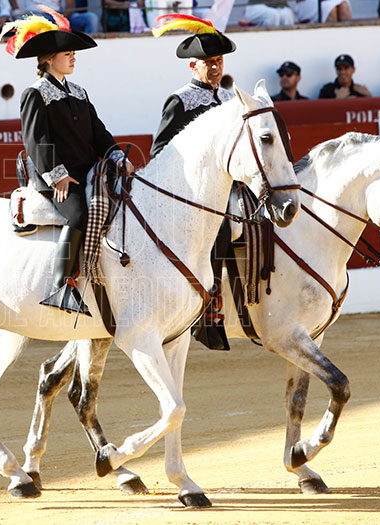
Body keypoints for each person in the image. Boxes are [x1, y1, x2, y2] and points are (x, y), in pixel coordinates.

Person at [5, 7, 132, 315]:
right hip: (57, 177)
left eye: (74, 53)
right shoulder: (35, 93)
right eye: (68, 53)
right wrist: (57, 176)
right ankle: (60, 286)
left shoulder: (78, 91)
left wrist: (117, 155)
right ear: (50, 59)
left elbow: (98, 132)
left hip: (89, 172)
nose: (74, 58)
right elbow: (36, 140)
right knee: (78, 215)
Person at [150, 15, 236, 351]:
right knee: (222, 230)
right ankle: (208, 307)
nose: (215, 68)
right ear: (193, 66)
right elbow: (160, 151)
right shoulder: (181, 100)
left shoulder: (229, 99)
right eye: (208, 63)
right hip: (191, 195)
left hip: (229, 189)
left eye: (218, 61)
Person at [25, 0, 99, 34]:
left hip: (58, 15)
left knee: (91, 18)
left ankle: (89, 50)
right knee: (38, 23)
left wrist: (61, 21)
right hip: (37, 15)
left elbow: (70, 5)